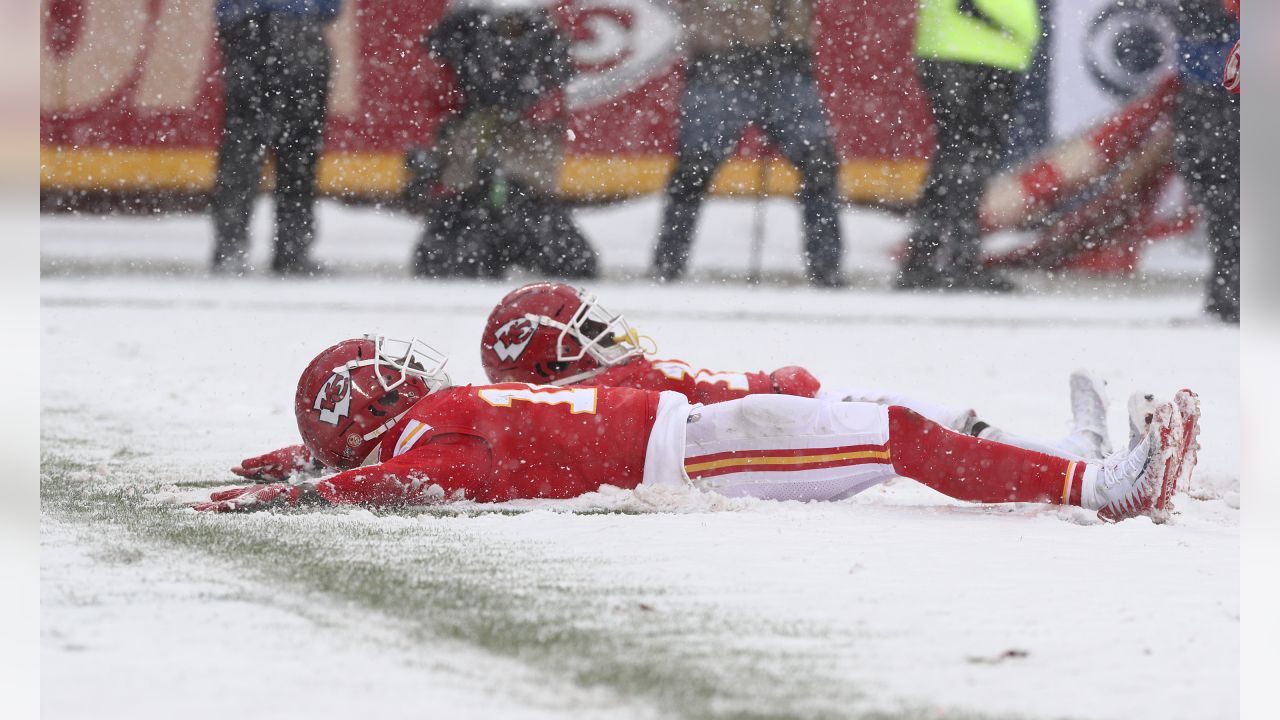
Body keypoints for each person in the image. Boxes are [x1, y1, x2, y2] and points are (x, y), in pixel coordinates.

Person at [194, 335, 1200, 524]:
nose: (420, 377)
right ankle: (1100, 487)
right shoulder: (428, 437)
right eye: (395, 378)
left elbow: (401, 461)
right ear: (371, 410)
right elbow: (441, 476)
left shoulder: (408, 430)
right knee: (891, 433)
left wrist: (300, 466)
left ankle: (1075, 462)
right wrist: (309, 487)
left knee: (885, 426)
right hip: (694, 447)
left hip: (695, 429)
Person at [651, 0, 845, 287]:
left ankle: (827, 269)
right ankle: (667, 266)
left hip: (781, 63)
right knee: (693, 170)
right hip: (722, 61)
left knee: (820, 164)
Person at [406, 0, 598, 279]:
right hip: (470, 187)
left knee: (565, 257)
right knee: (453, 260)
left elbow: (547, 114)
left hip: (520, 190)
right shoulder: (462, 39)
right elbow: (438, 107)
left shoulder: (543, 46)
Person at [896, 0, 1041, 292]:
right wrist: (1020, 29)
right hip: (980, 49)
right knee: (969, 163)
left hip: (964, 46)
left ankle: (926, 259)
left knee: (955, 160)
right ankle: (956, 261)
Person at [211, 0, 339, 276]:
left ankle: (231, 247)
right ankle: (291, 251)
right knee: (298, 153)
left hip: (248, 26)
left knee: (243, 149)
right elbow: (331, 8)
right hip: (298, 29)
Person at [1172, 0, 1240, 323]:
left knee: (1229, 195)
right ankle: (1230, 295)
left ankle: (1232, 299)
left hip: (1225, 88)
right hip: (1208, 83)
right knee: (1221, 194)